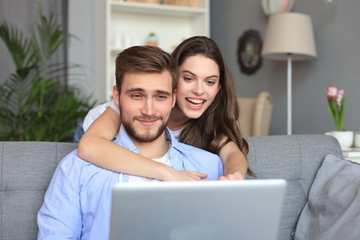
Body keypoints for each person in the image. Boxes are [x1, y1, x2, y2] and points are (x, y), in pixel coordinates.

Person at [37, 46, 223, 239]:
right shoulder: (76, 169)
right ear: (117, 96)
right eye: (137, 95)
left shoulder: (208, 166)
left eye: (160, 96)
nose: (149, 110)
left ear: (173, 98)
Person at [78, 36, 255, 181]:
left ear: (218, 89)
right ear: (172, 80)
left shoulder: (207, 123)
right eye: (188, 78)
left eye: (209, 82)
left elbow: (233, 154)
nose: (199, 90)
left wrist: (234, 177)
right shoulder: (128, 109)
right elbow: (89, 146)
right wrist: (168, 173)